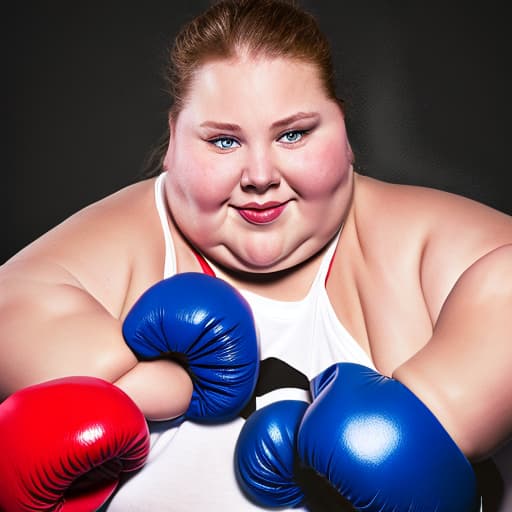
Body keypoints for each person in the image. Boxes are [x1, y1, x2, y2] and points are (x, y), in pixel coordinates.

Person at [0, 0, 511, 510]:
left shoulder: (411, 245)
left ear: (344, 132)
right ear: (174, 140)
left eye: (293, 134)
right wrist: (155, 387)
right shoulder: (135, 236)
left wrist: (444, 407)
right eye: (224, 142)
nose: (260, 175)